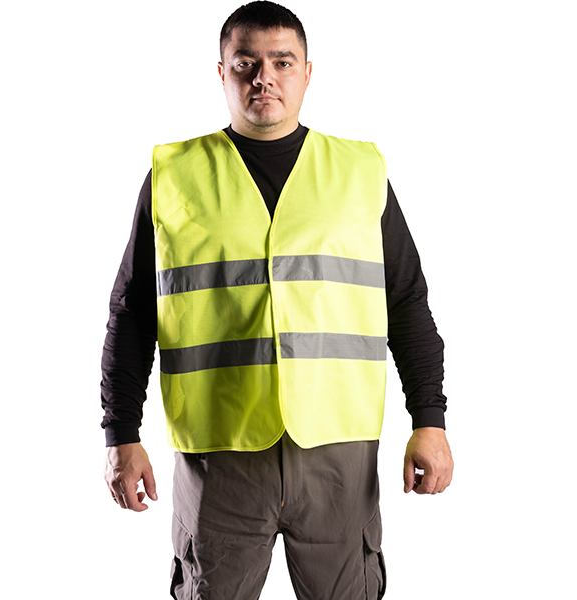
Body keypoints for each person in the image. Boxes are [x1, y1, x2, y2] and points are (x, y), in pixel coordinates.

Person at [101, 2, 454, 598]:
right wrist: (120, 434)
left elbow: (407, 301)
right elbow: (132, 313)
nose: (264, 77)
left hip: (338, 452)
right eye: (247, 63)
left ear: (307, 73)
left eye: (282, 62)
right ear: (222, 73)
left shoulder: (360, 171)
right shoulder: (174, 175)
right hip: (219, 453)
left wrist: (430, 420)